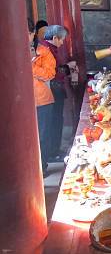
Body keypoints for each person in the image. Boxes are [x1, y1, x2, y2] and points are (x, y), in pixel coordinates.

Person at [29, 19, 56, 177]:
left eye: (28, 33)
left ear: (33, 33)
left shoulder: (43, 51)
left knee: (43, 136)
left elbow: (49, 74)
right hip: (22, 103)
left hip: (42, 100)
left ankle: (42, 167)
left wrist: (31, 64)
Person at [40, 25, 68, 161]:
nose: (62, 42)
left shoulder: (48, 48)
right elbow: (53, 73)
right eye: (61, 39)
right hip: (51, 90)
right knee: (53, 121)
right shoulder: (45, 51)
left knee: (56, 120)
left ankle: (54, 150)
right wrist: (67, 69)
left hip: (53, 89)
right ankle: (52, 153)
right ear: (55, 38)